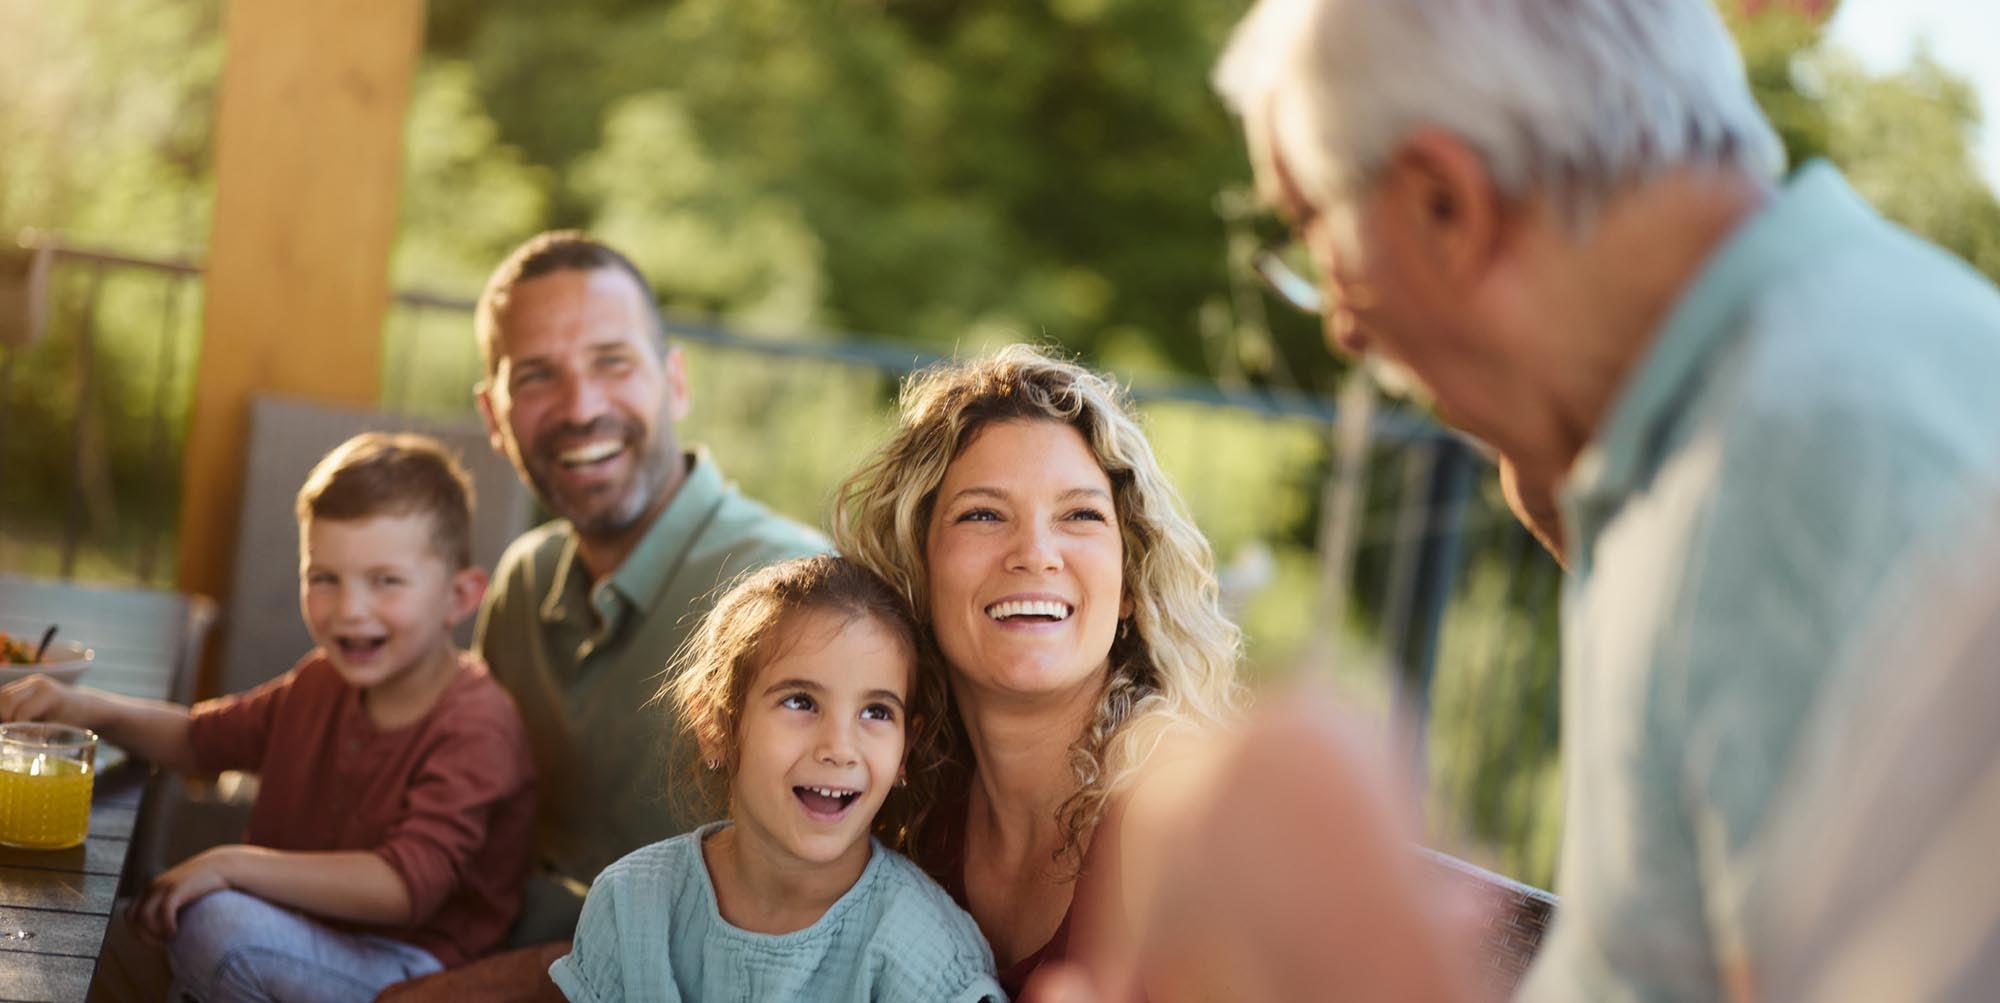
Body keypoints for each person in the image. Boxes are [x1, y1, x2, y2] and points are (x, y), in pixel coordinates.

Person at [1210, 0, 2000, 998]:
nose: (1341, 331)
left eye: (1310, 227)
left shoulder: (1800, 462)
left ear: (1442, 203)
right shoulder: (1766, 401)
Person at [0, 432, 537, 1002]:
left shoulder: (476, 723)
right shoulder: (321, 681)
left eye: (386, 582)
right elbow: (196, 739)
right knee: (92, 940)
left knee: (218, 928)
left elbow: (402, 887)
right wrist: (81, 706)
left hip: (409, 968)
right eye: (324, 578)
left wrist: (234, 864)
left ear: (459, 595)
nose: (351, 609)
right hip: (289, 925)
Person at [833, 344, 1246, 998]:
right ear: (921, 569)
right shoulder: (893, 807)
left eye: (1080, 514)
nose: (1035, 553)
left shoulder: (1192, 828)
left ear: (1130, 582)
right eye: (983, 514)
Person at [468, 231, 830, 942]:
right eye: (537, 375)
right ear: (493, 418)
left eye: (613, 362)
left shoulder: (790, 592)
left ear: (676, 382)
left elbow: (800, 911)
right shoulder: (522, 580)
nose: (579, 407)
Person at [550, 554, 1006, 1002]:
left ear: (905, 749)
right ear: (714, 726)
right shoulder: (630, 905)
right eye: (801, 702)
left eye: (876, 711)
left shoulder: (925, 954)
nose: (839, 749)